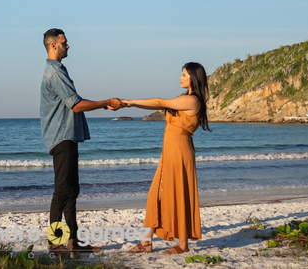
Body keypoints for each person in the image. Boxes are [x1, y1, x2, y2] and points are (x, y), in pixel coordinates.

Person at [39, 28, 122, 254]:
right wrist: (106, 101)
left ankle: (73, 242)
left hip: (68, 136)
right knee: (62, 191)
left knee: (72, 190)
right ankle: (55, 243)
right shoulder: (54, 74)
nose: (68, 45)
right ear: (53, 45)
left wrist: (104, 104)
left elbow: (75, 103)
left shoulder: (59, 70)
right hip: (61, 137)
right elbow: (75, 104)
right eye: (65, 42)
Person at [122, 62, 212, 255]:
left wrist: (129, 102)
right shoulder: (186, 99)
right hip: (170, 152)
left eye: (184, 75)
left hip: (180, 152)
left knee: (180, 194)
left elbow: (159, 102)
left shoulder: (192, 101)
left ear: (193, 78)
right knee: (155, 194)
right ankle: (147, 241)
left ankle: (182, 244)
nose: (180, 78)